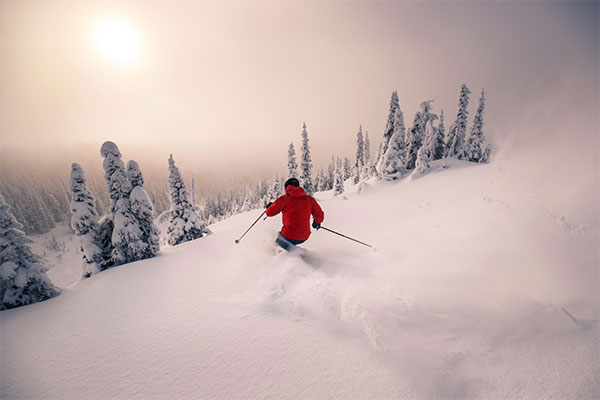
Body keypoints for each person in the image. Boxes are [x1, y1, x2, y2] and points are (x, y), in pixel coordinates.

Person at [265, 177, 324, 250]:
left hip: (288, 235)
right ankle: (292, 252)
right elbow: (319, 214)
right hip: (304, 237)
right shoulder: (309, 199)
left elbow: (269, 213)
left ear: (287, 187)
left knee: (278, 239)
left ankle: (283, 256)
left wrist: (270, 207)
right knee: (287, 239)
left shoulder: (284, 198)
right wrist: (317, 222)